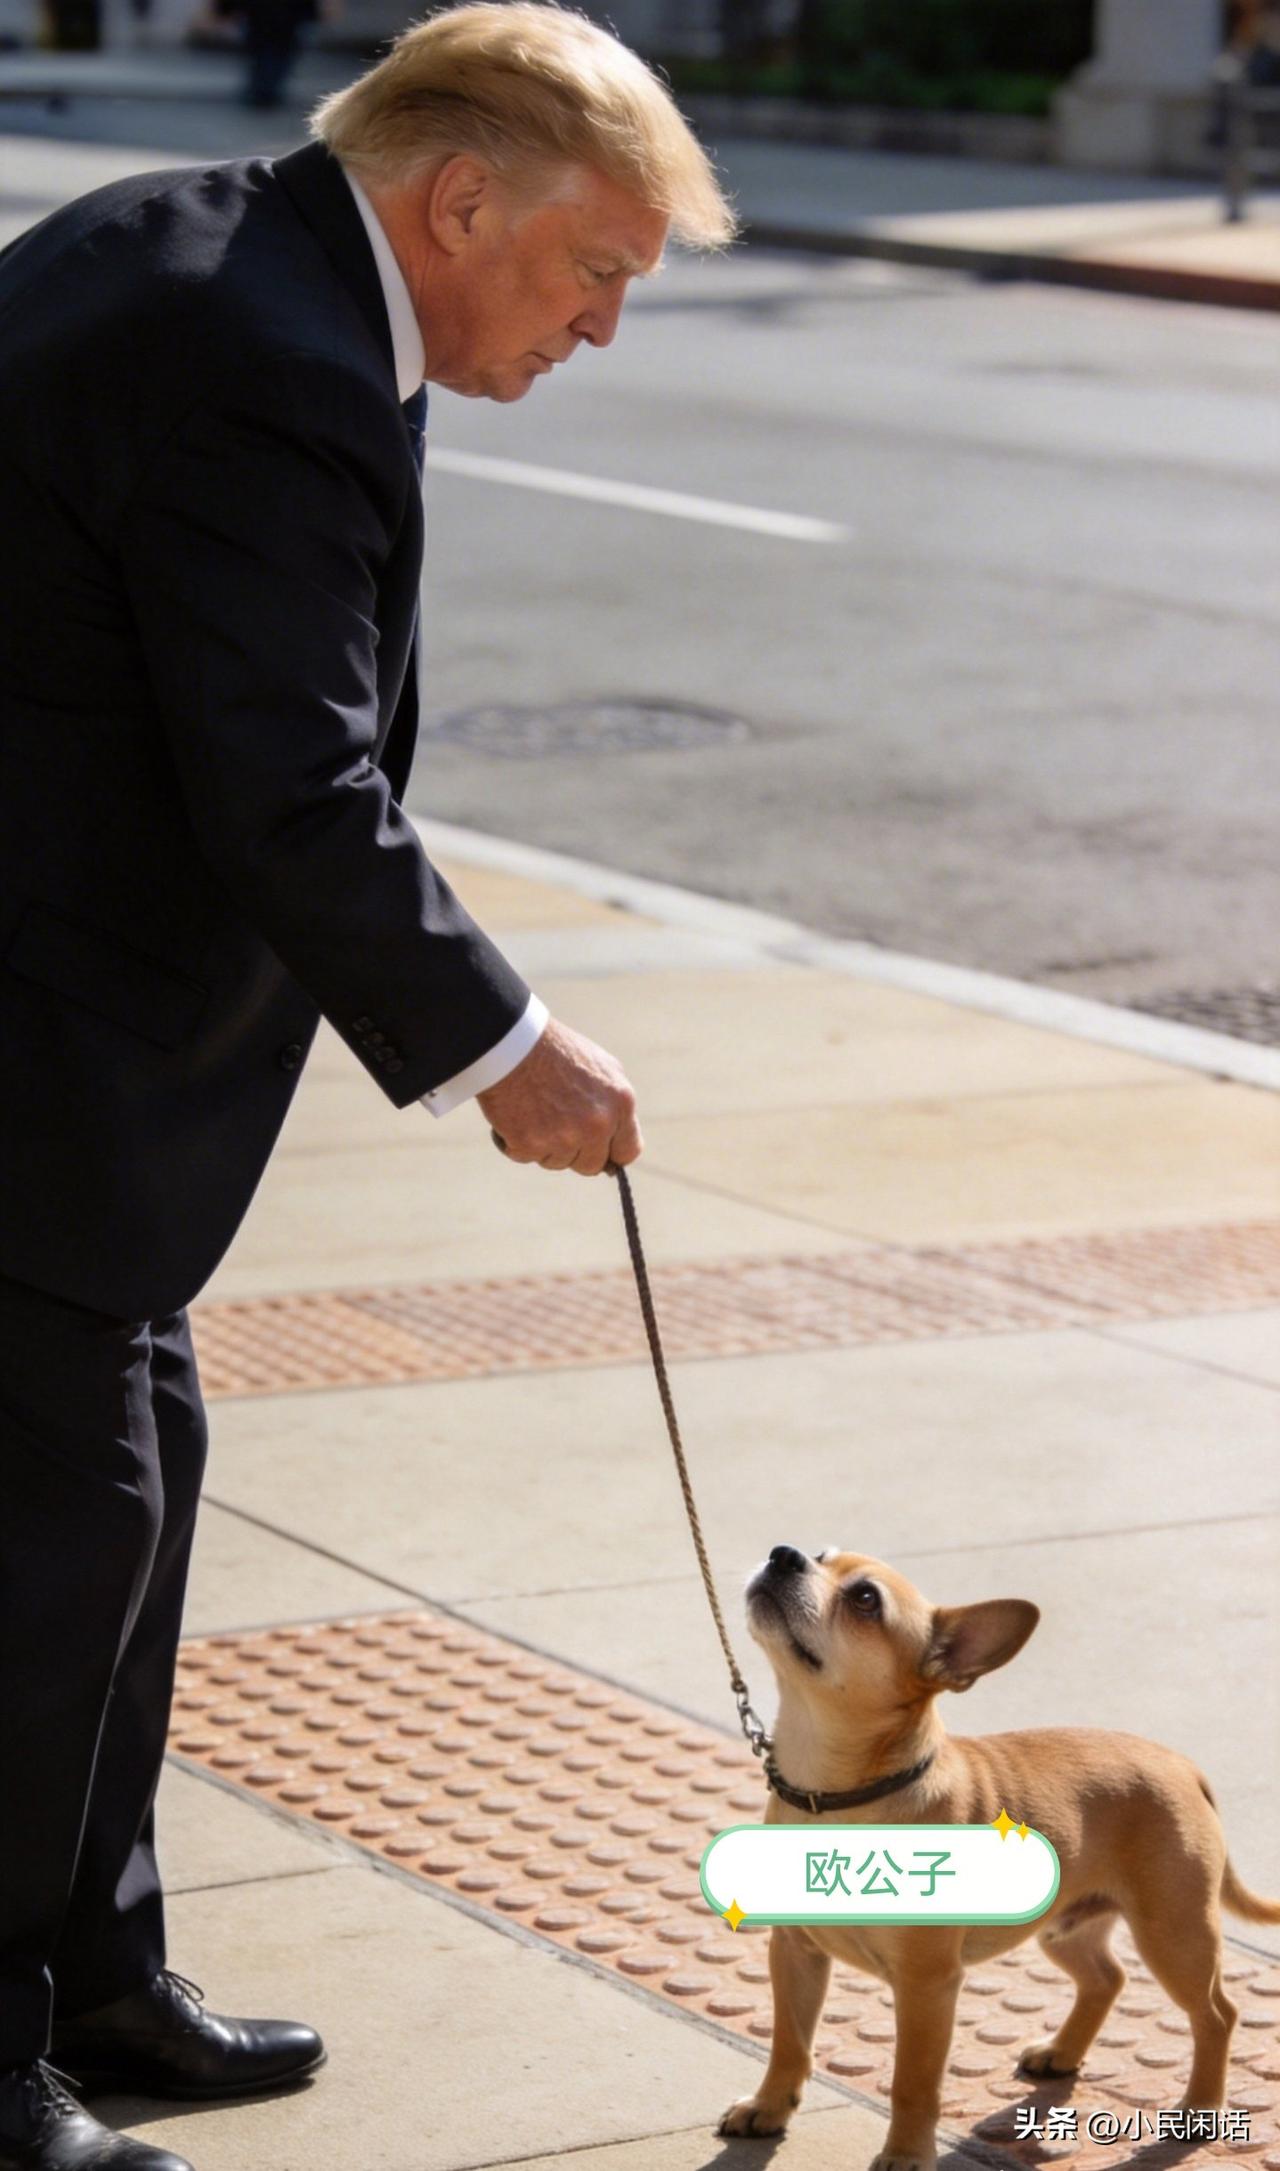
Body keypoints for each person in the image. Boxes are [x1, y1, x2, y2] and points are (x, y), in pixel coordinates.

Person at [0, 7, 735, 2168]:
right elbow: (292, 783)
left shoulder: (223, 258)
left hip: (73, 1031)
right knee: (49, 1549)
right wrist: (507, 1046)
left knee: (131, 1480)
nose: (604, 329)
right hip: (29, 1030)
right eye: (597, 275)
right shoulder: (267, 359)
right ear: (461, 201)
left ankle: (95, 1976)